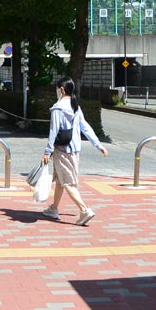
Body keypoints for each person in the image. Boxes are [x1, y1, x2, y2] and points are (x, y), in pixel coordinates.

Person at [41, 78, 108, 226]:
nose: (56, 91)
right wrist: (98, 145)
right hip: (74, 150)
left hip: (62, 150)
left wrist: (47, 152)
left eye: (57, 88)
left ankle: (84, 210)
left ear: (62, 90)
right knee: (61, 180)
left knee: (68, 183)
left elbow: (53, 131)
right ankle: (54, 209)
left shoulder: (58, 108)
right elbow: (86, 127)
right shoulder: (75, 107)